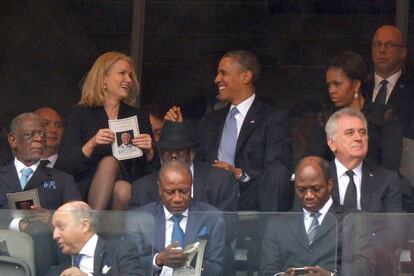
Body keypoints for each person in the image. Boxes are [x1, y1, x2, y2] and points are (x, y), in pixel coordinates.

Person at [165, 50, 292, 211]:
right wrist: (179, 130)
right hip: (213, 199)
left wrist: (239, 174)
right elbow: (195, 161)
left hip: (251, 198)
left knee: (277, 172)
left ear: (245, 76)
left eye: (223, 73)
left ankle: (272, 236)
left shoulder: (273, 118)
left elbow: (277, 173)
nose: (217, 79)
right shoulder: (211, 120)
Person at [56, 51, 155, 210]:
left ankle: (94, 229)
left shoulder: (137, 116)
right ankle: (92, 222)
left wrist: (150, 150)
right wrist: (91, 144)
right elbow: (63, 166)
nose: (128, 80)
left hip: (128, 188)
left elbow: (153, 171)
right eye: (122, 73)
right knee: (109, 163)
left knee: (123, 189)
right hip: (87, 189)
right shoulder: (80, 113)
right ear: (104, 78)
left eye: (130, 75)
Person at [0, 112, 81, 275]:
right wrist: (19, 224)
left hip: (47, 263)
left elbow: (79, 225)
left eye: (41, 135)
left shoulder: (63, 180)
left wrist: (52, 219)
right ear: (12, 139)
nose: (39, 139)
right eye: (31, 134)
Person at [126, 161, 225, 276]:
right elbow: (130, 265)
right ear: (159, 189)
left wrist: (191, 262)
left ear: (191, 186)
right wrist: (158, 260)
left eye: (184, 191)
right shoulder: (139, 218)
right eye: (170, 192)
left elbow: (218, 269)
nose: (177, 198)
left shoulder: (212, 217)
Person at [309, 51, 402, 171]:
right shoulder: (325, 118)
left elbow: (391, 165)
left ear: (356, 84)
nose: (331, 90)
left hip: (381, 184)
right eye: (329, 85)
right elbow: (316, 162)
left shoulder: (383, 115)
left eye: (337, 84)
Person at [260, 156, 346, 276]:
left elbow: (361, 268)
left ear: (330, 185)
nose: (309, 195)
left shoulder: (353, 220)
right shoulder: (277, 224)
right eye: (301, 189)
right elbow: (267, 270)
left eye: (316, 189)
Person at [130, 120, 238, 212]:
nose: (173, 156)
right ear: (160, 154)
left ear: (192, 153)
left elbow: (227, 227)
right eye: (168, 151)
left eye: (180, 151)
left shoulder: (220, 181)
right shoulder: (141, 188)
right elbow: (136, 231)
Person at [325, 107, 402, 212]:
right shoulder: (318, 177)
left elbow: (395, 225)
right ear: (332, 143)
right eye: (350, 133)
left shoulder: (387, 179)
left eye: (362, 132)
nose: (358, 138)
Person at [49, 201, 144, 276]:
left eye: (61, 227)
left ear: (84, 226)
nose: (55, 235)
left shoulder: (121, 250)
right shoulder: (59, 271)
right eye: (54, 229)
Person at [366, 25, 414, 137]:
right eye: (377, 44)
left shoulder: (411, 90)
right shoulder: (359, 86)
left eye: (389, 45)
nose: (382, 50)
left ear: (403, 52)